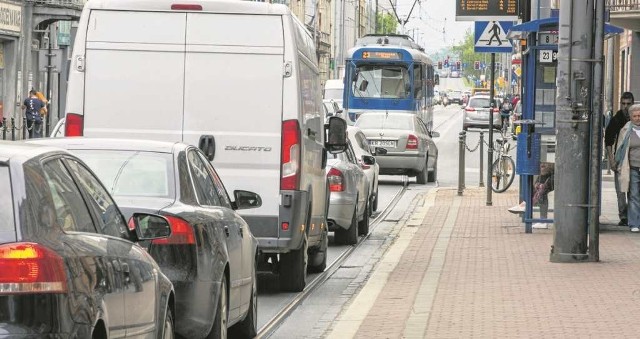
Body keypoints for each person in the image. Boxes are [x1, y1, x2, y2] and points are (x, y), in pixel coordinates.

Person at [605, 91, 635, 226]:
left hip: (633, 160)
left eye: (628, 104)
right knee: (620, 191)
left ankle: (633, 217)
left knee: (633, 191)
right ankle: (623, 216)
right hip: (619, 159)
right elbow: (609, 141)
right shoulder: (616, 120)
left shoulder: (636, 119)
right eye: (623, 104)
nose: (626, 107)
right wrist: (611, 159)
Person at [614, 104, 640, 232]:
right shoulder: (626, 130)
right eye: (634, 116)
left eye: (639, 115)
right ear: (630, 117)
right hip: (633, 167)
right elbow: (619, 148)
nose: (637, 118)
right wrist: (617, 164)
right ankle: (634, 223)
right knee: (634, 195)